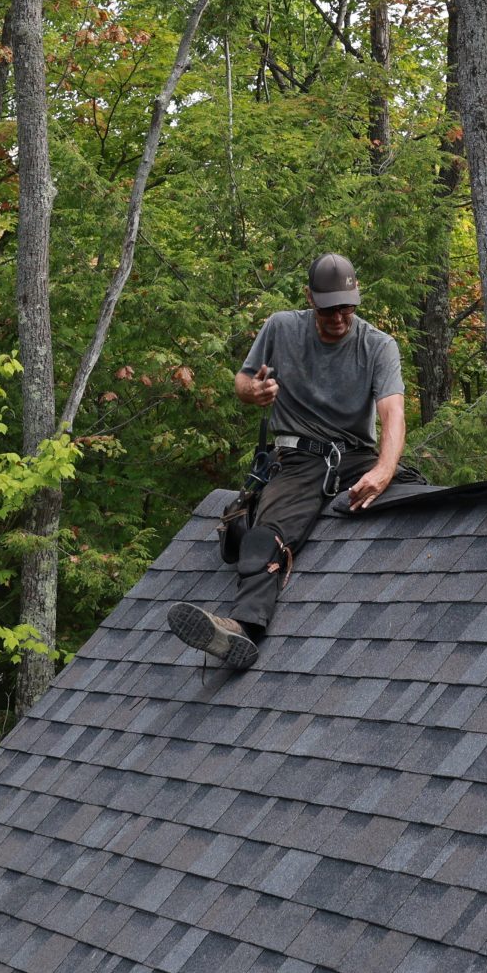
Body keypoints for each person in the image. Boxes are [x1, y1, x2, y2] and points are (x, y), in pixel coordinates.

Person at [169, 253, 417, 668]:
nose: (339, 317)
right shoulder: (282, 327)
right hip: (300, 456)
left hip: (357, 456)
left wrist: (384, 470)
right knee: (267, 535)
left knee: (422, 497)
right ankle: (240, 632)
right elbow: (243, 381)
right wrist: (256, 392)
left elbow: (393, 412)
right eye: (329, 308)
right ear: (310, 298)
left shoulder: (378, 345)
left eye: (347, 307)